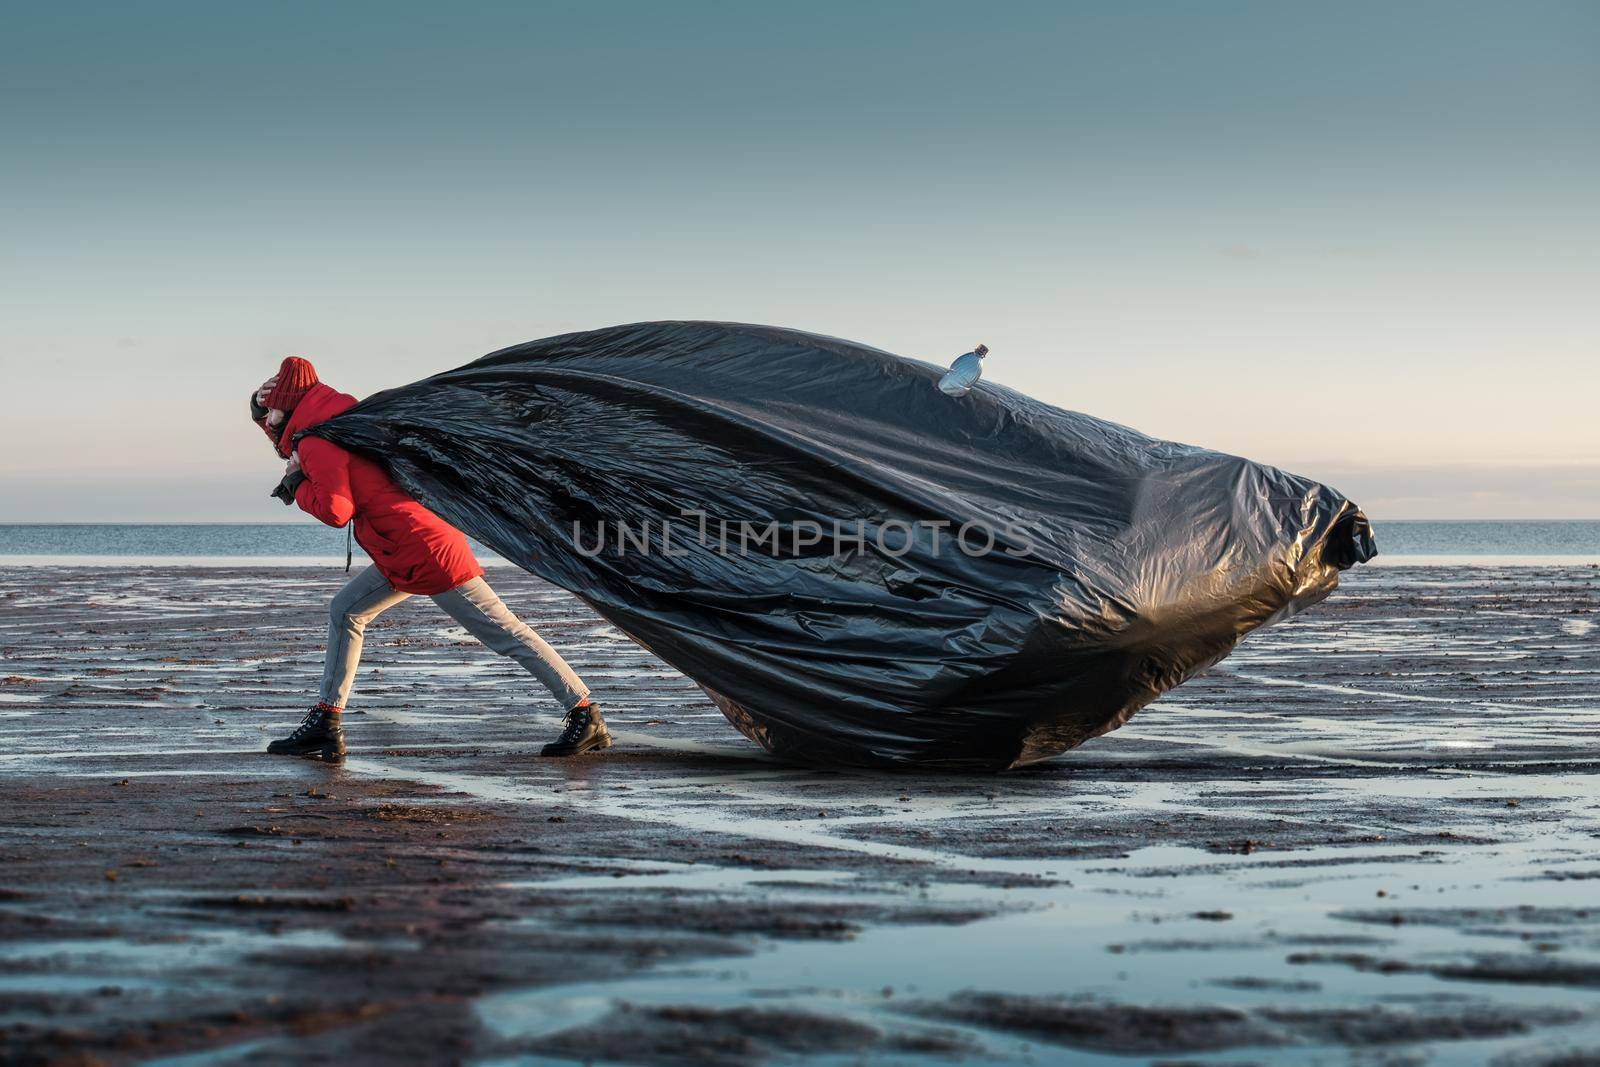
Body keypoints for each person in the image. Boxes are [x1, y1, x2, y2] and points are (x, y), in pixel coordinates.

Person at [249, 356, 611, 762]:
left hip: (425, 550)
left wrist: (295, 487)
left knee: (505, 634)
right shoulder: (341, 418)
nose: (264, 421)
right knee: (346, 611)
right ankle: (326, 723)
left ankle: (584, 712)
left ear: (285, 404)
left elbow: (336, 511)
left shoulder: (317, 440)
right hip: (402, 549)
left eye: (267, 412)